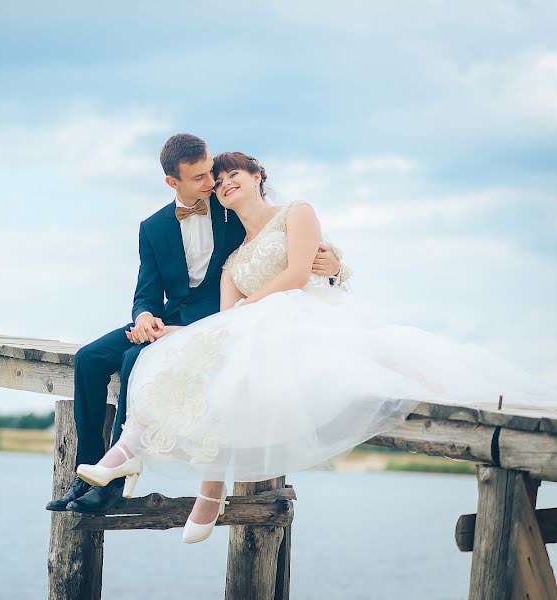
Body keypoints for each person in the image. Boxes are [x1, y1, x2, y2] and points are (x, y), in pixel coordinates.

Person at [76, 151, 554, 542]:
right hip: (255, 325)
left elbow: (300, 274)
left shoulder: (296, 211)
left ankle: (191, 478)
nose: (222, 184)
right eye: (217, 180)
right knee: (174, 356)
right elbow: (220, 320)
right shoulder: (233, 260)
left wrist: (290, 287)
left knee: (391, 367)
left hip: (307, 317)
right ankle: (143, 455)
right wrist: (173, 331)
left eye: (231, 174)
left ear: (258, 175)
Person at [46, 136, 346, 515]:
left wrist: (333, 266)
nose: (212, 183)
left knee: (134, 361)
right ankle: (84, 475)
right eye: (201, 177)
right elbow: (148, 291)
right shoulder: (153, 227)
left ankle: (113, 483)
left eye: (212, 173)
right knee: (89, 358)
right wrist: (144, 317)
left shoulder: (231, 209)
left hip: (225, 319)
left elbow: (286, 250)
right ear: (174, 183)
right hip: (170, 317)